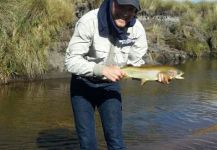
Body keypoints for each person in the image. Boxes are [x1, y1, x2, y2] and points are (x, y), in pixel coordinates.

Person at [65, 0, 170, 149]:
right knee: (87, 143)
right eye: (121, 6)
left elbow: (135, 66)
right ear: (112, 2)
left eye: (131, 9)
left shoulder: (137, 30)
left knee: (116, 142)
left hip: (110, 86)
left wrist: (155, 75)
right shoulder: (89, 21)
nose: (126, 13)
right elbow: (71, 61)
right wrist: (101, 69)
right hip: (82, 85)